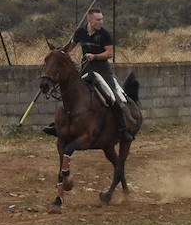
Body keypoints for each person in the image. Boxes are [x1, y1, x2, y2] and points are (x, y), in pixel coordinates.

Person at [43, 8, 132, 141]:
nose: (101, 22)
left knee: (113, 96)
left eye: (102, 19)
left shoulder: (105, 34)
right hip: (86, 68)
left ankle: (122, 129)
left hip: (102, 70)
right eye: (98, 19)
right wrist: (58, 53)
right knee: (70, 93)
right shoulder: (80, 32)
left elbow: (109, 53)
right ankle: (58, 125)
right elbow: (70, 47)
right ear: (90, 20)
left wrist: (95, 56)